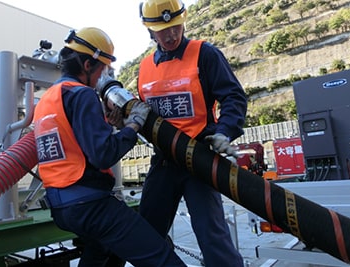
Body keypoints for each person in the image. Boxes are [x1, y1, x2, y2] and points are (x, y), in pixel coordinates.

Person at [33, 27, 187, 267]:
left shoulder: (48, 99)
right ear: (87, 65)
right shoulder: (82, 94)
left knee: (101, 252)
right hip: (91, 205)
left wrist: (111, 127)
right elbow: (103, 155)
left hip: (61, 207)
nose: (101, 76)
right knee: (160, 256)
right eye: (102, 68)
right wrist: (133, 125)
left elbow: (75, 145)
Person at [137, 1, 248, 266]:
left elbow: (233, 96)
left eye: (175, 26)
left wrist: (225, 131)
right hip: (164, 160)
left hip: (198, 157)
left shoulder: (204, 54)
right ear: (150, 31)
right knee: (146, 234)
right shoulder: (144, 68)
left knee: (212, 237)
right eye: (163, 30)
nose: (171, 35)